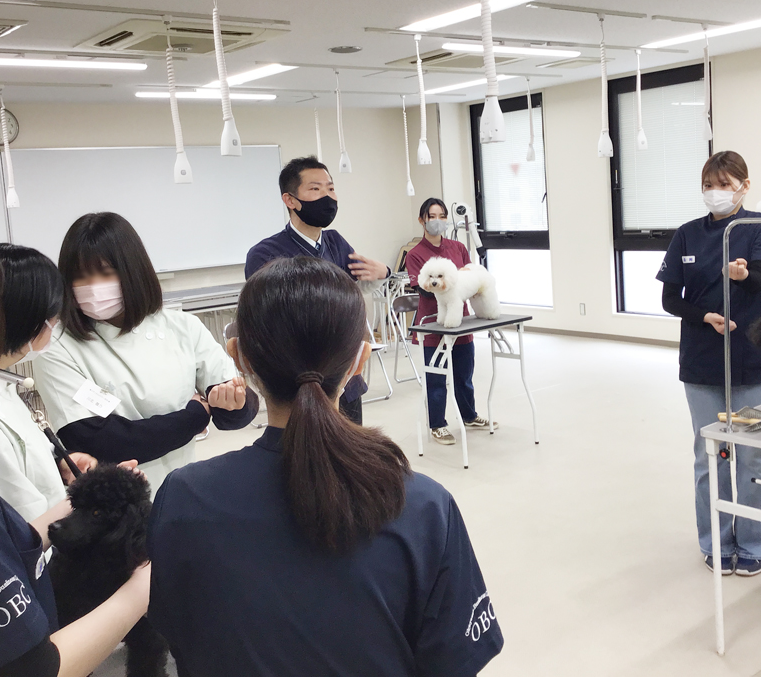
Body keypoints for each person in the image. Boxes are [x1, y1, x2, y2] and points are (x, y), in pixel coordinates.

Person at [147, 257, 503, 677]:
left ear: (239, 357)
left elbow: (177, 635)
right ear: (360, 360)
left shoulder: (184, 497)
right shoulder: (422, 506)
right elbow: (451, 662)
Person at [0, 219, 150, 677]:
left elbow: (11, 536)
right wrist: (140, 591)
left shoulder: (1, 391)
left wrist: (81, 493)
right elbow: (33, 665)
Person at [32, 213, 258, 495]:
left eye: (105, 272)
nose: (93, 286)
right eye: (80, 276)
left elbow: (237, 403)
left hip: (183, 486)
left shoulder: (181, 326)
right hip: (114, 503)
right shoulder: (56, 344)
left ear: (132, 270)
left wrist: (234, 403)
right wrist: (195, 416)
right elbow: (98, 440)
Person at [657, 151, 761, 577]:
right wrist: (703, 317)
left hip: (752, 357)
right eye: (709, 184)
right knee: (709, 454)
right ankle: (715, 540)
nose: (716, 192)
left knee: (752, 455)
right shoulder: (687, 235)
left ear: (745, 186)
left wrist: (743, 275)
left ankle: (754, 541)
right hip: (702, 360)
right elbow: (670, 298)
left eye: (725, 184)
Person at [0, 244, 99, 521]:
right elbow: (21, 525)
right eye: (53, 318)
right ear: (26, 319)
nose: (55, 325)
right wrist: (93, 497)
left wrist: (59, 464)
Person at [245, 156, 391, 425]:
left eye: (331, 188)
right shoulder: (265, 254)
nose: (327, 196)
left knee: (351, 444)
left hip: (345, 376)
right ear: (290, 200)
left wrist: (382, 273)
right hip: (296, 384)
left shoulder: (336, 242)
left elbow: (354, 291)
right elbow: (267, 320)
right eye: (315, 189)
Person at [404, 198, 495, 445]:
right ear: (422, 220)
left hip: (460, 323)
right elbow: (422, 288)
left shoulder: (458, 248)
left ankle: (469, 416)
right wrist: (440, 284)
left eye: (442, 216)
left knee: (464, 375)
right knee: (436, 379)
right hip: (432, 325)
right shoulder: (415, 254)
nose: (437, 221)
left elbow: (470, 279)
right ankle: (438, 425)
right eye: (432, 216)